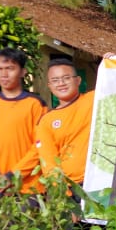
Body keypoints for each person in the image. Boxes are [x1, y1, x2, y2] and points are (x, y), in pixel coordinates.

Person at [0, 48, 47, 195]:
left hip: (27, 188)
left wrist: (13, 176)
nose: (4, 74)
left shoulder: (36, 104)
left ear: (23, 72)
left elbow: (39, 147)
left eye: (10, 68)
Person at [35, 57, 95, 186]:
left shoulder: (94, 99)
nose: (61, 83)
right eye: (55, 80)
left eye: (66, 78)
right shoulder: (46, 121)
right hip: (72, 187)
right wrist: (61, 190)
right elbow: (49, 162)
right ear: (50, 86)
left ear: (78, 80)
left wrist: (112, 62)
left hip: (102, 181)